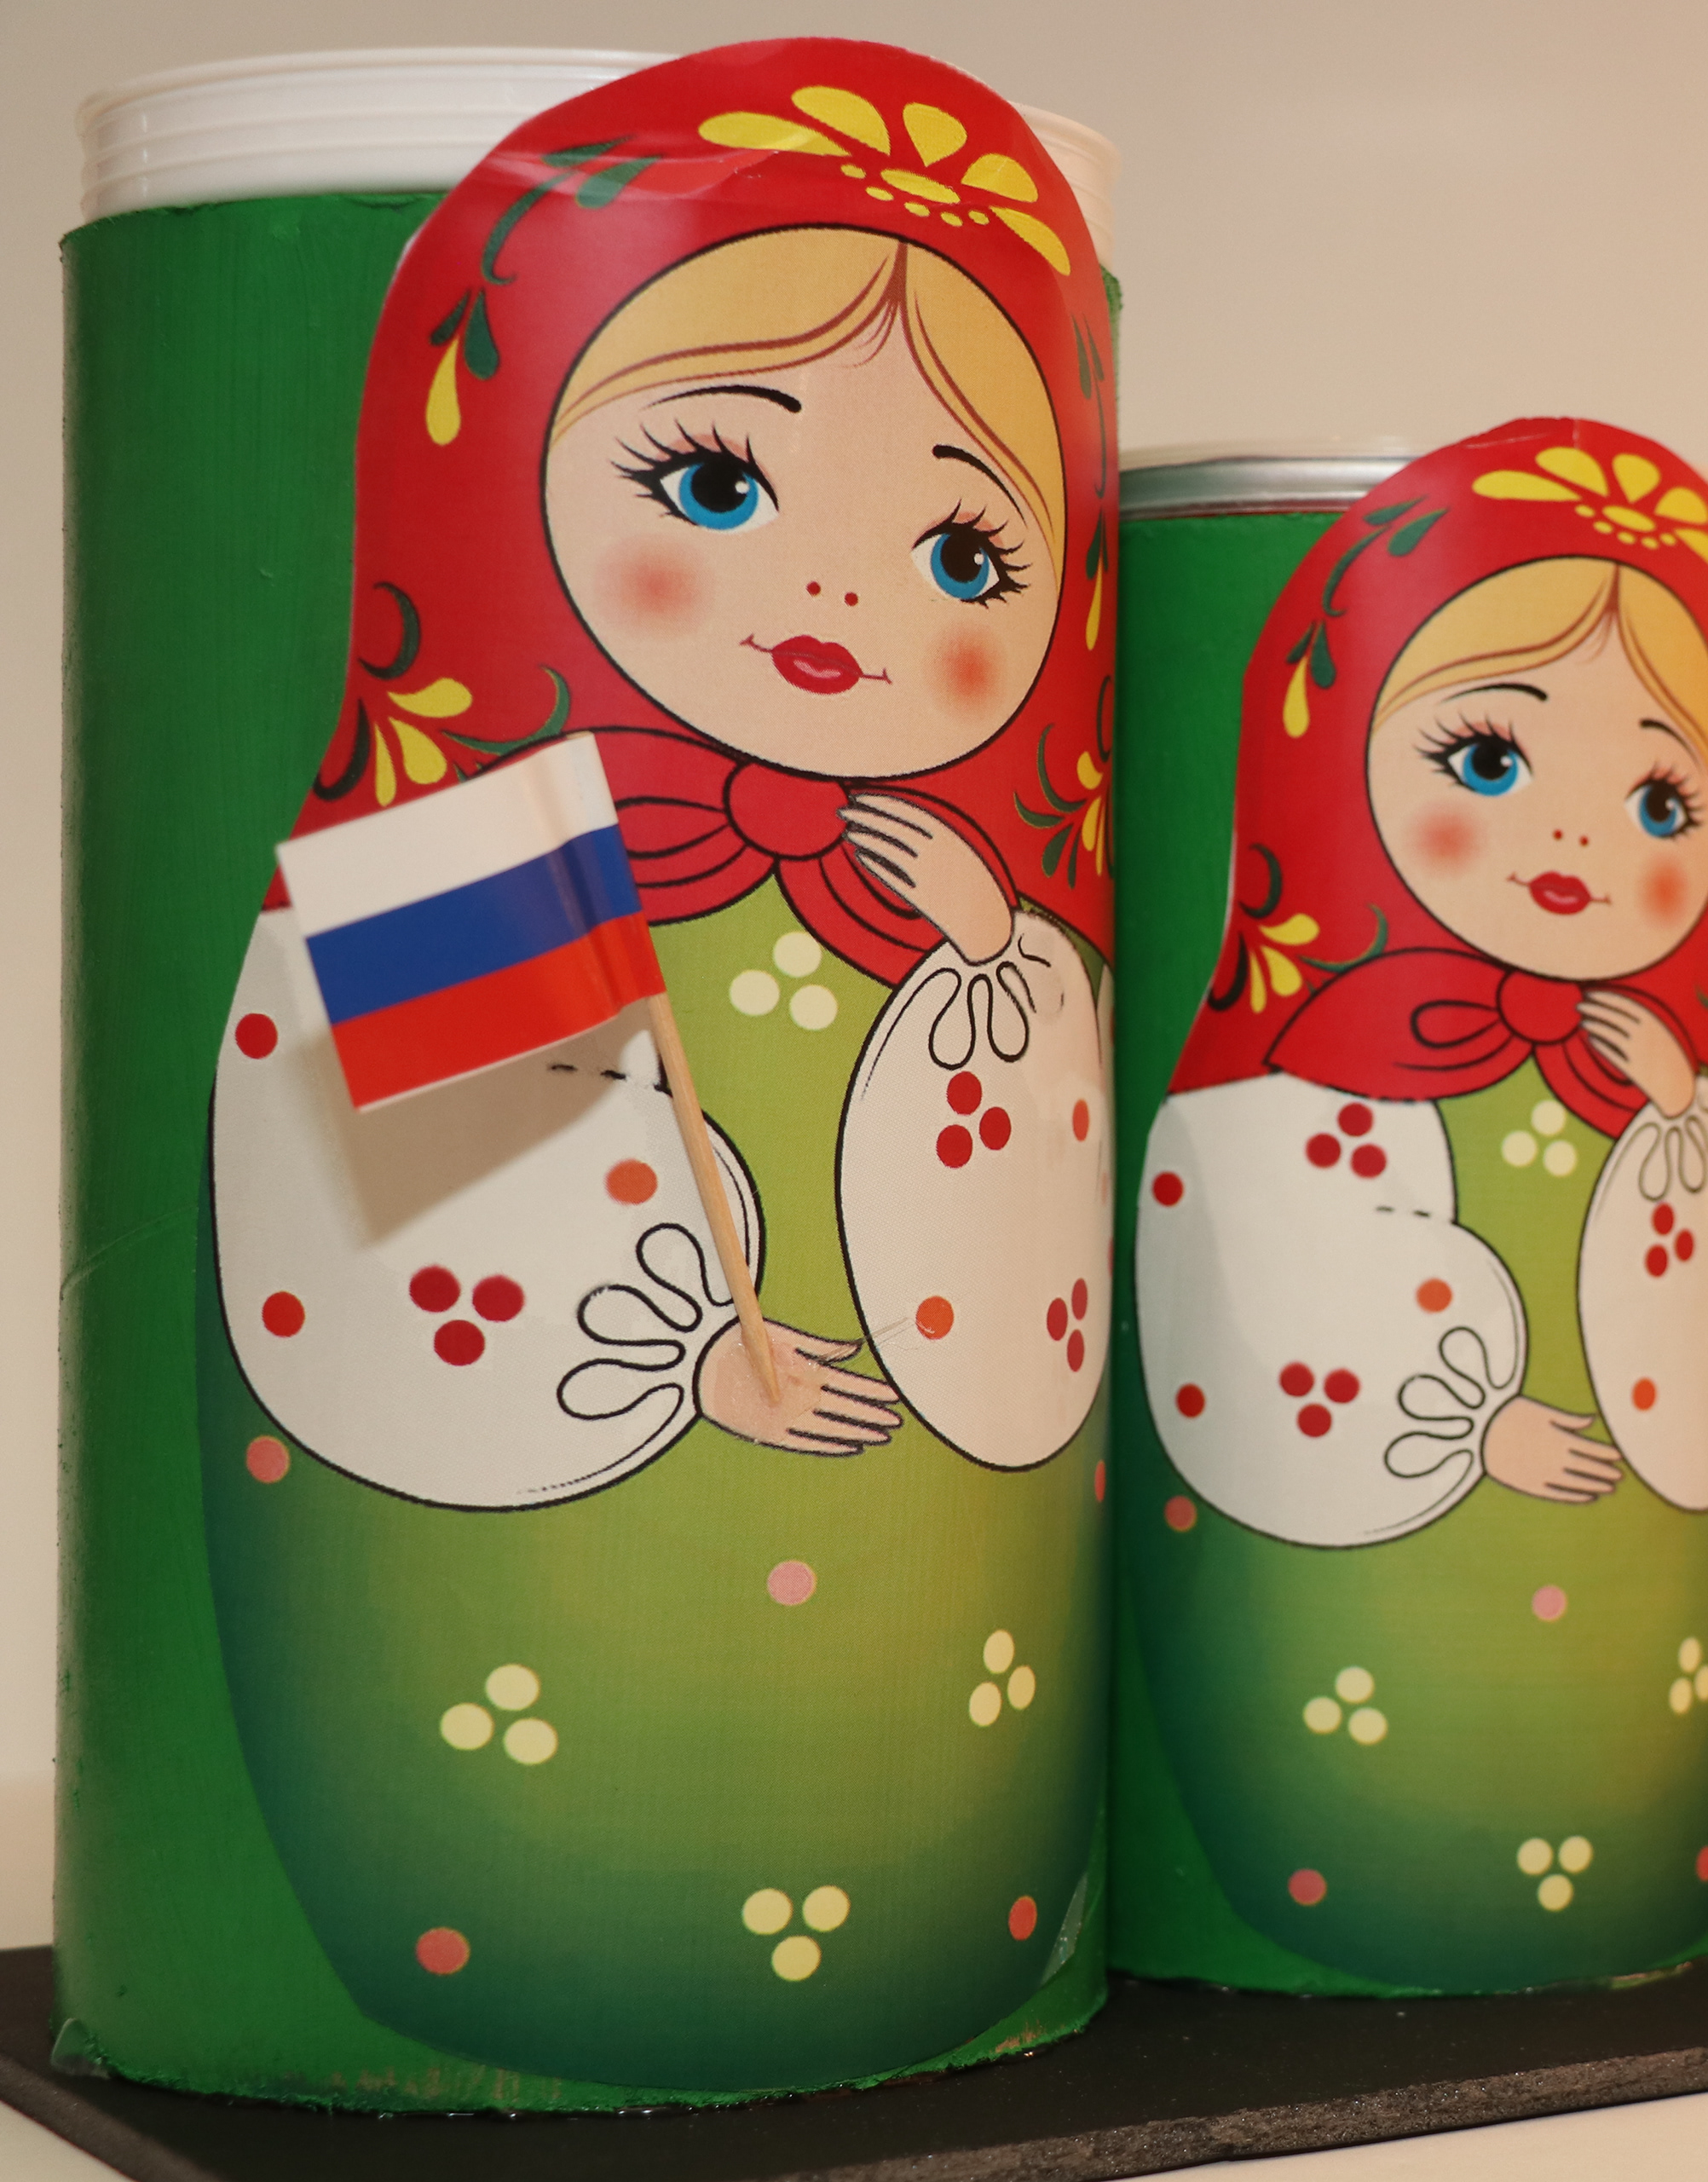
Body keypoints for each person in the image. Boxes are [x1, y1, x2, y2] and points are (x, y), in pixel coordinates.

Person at [199, 43, 1115, 2091]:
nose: (839, 593)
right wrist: (678, 1343)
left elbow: (1025, 1228)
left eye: (963, 555)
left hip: (916, 1612)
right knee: (528, 1743)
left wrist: (990, 958)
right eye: (715, 481)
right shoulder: (465, 855)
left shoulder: (960, 887)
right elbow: (416, 1219)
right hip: (532, 1621)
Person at [1128, 421, 1708, 1991]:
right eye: (1489, 759)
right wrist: (1469, 1422)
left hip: (1626, 1645)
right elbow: (1276, 1299)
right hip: (1337, 1646)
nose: (1578, 838)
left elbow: (1692, 1322)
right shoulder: (1280, 1079)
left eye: (1659, 799)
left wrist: (1674, 1118)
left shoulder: (1671, 1080)